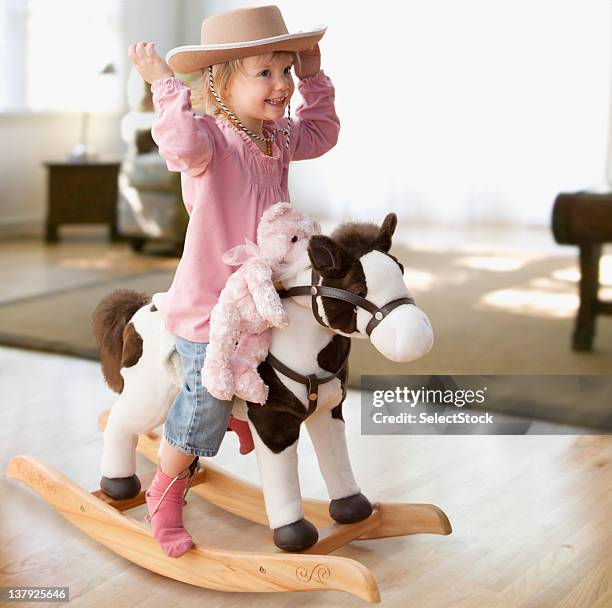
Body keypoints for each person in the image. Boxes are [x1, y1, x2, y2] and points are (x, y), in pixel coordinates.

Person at [128, 5, 339, 557]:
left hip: (267, 295)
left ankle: (243, 423)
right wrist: (166, 87)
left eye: (287, 72)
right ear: (221, 84)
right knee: (205, 401)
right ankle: (165, 493)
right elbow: (178, 147)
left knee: (308, 359)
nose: (282, 85)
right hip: (210, 306)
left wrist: (315, 76)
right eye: (265, 73)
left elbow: (325, 131)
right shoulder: (210, 142)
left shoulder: (280, 136)